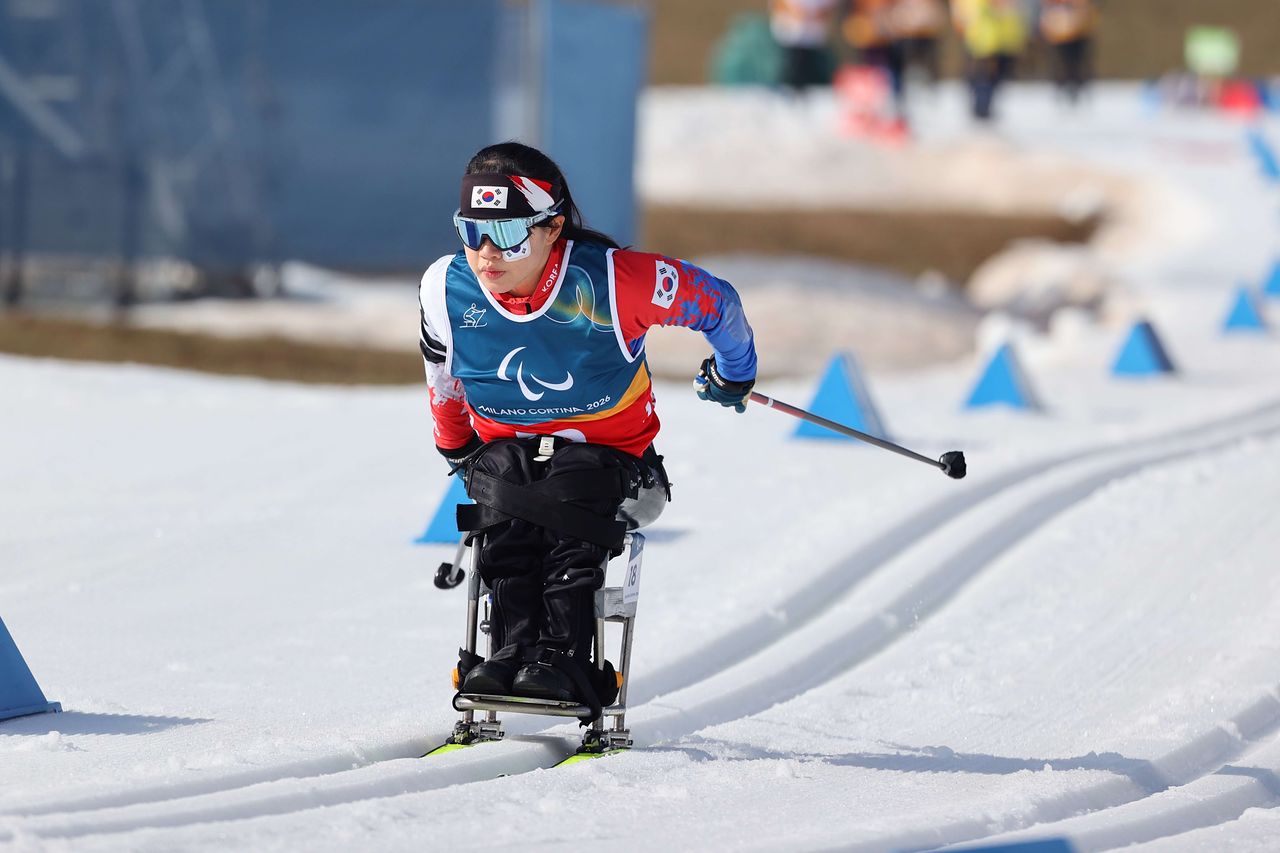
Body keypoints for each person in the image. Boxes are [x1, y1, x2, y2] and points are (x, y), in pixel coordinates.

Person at [418, 142, 758, 716]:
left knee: (567, 478)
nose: (484, 255)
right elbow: (442, 377)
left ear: (552, 229)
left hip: (615, 465)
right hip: (510, 457)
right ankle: (510, 652)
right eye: (470, 231)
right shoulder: (443, 288)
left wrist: (735, 373)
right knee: (504, 475)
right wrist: (455, 448)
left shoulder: (615, 282)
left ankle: (566, 659)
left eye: (504, 235)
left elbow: (719, 305)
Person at [953, 0, 1027, 121]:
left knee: (995, 76)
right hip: (983, 40)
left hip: (1003, 41)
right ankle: (981, 109)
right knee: (983, 76)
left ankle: (984, 108)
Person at [770, 0, 840, 91]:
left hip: (815, 42)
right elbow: (779, 4)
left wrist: (810, 15)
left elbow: (829, 9)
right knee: (789, 81)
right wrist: (797, 13)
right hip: (788, 41)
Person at [1038, 0, 1097, 104]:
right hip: (1061, 36)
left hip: (1078, 34)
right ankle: (1063, 87)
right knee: (1063, 64)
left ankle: (1076, 88)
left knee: (1076, 64)